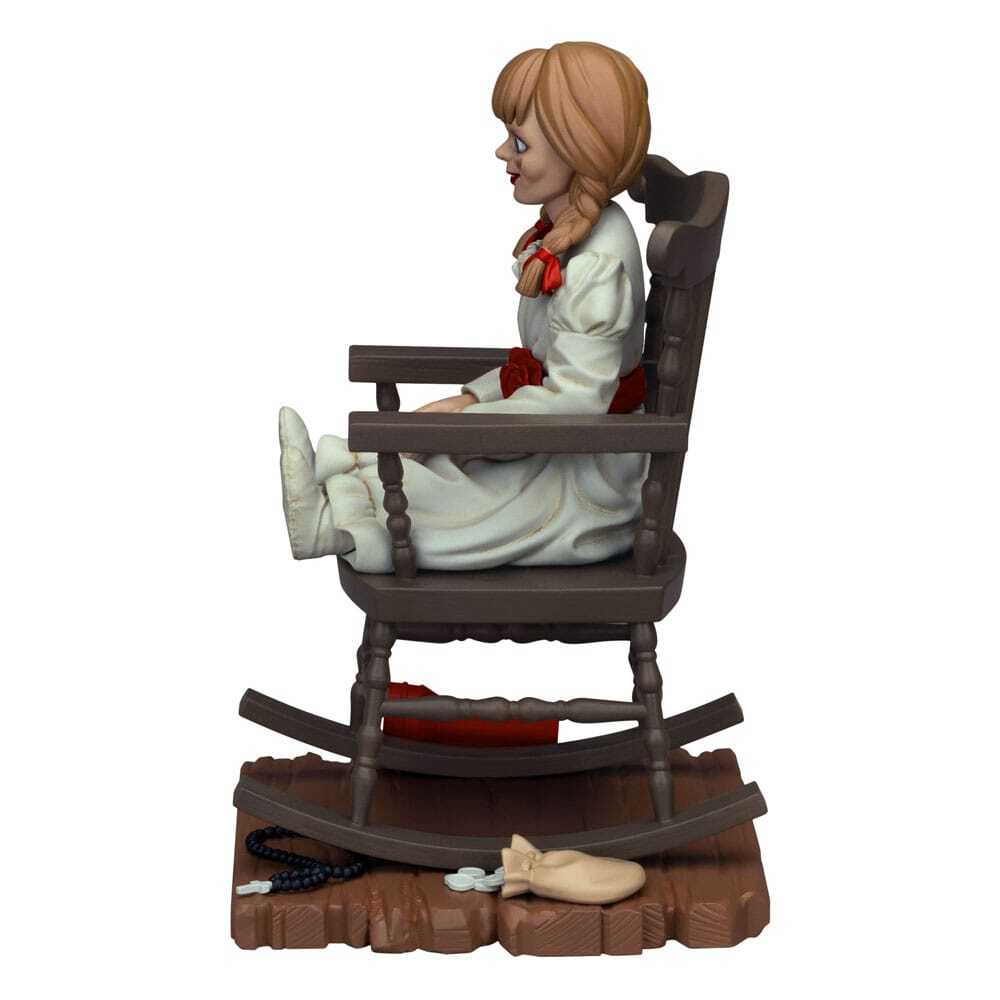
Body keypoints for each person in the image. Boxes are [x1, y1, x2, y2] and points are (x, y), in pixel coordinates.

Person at [279, 41, 652, 573]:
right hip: (558, 440)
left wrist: (469, 422)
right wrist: (472, 398)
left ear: (578, 150)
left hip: (585, 473)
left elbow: (576, 403)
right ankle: (329, 503)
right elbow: (544, 367)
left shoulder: (596, 266)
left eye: (519, 142)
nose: (503, 153)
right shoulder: (567, 236)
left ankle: (337, 524)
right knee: (430, 460)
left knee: (443, 488)